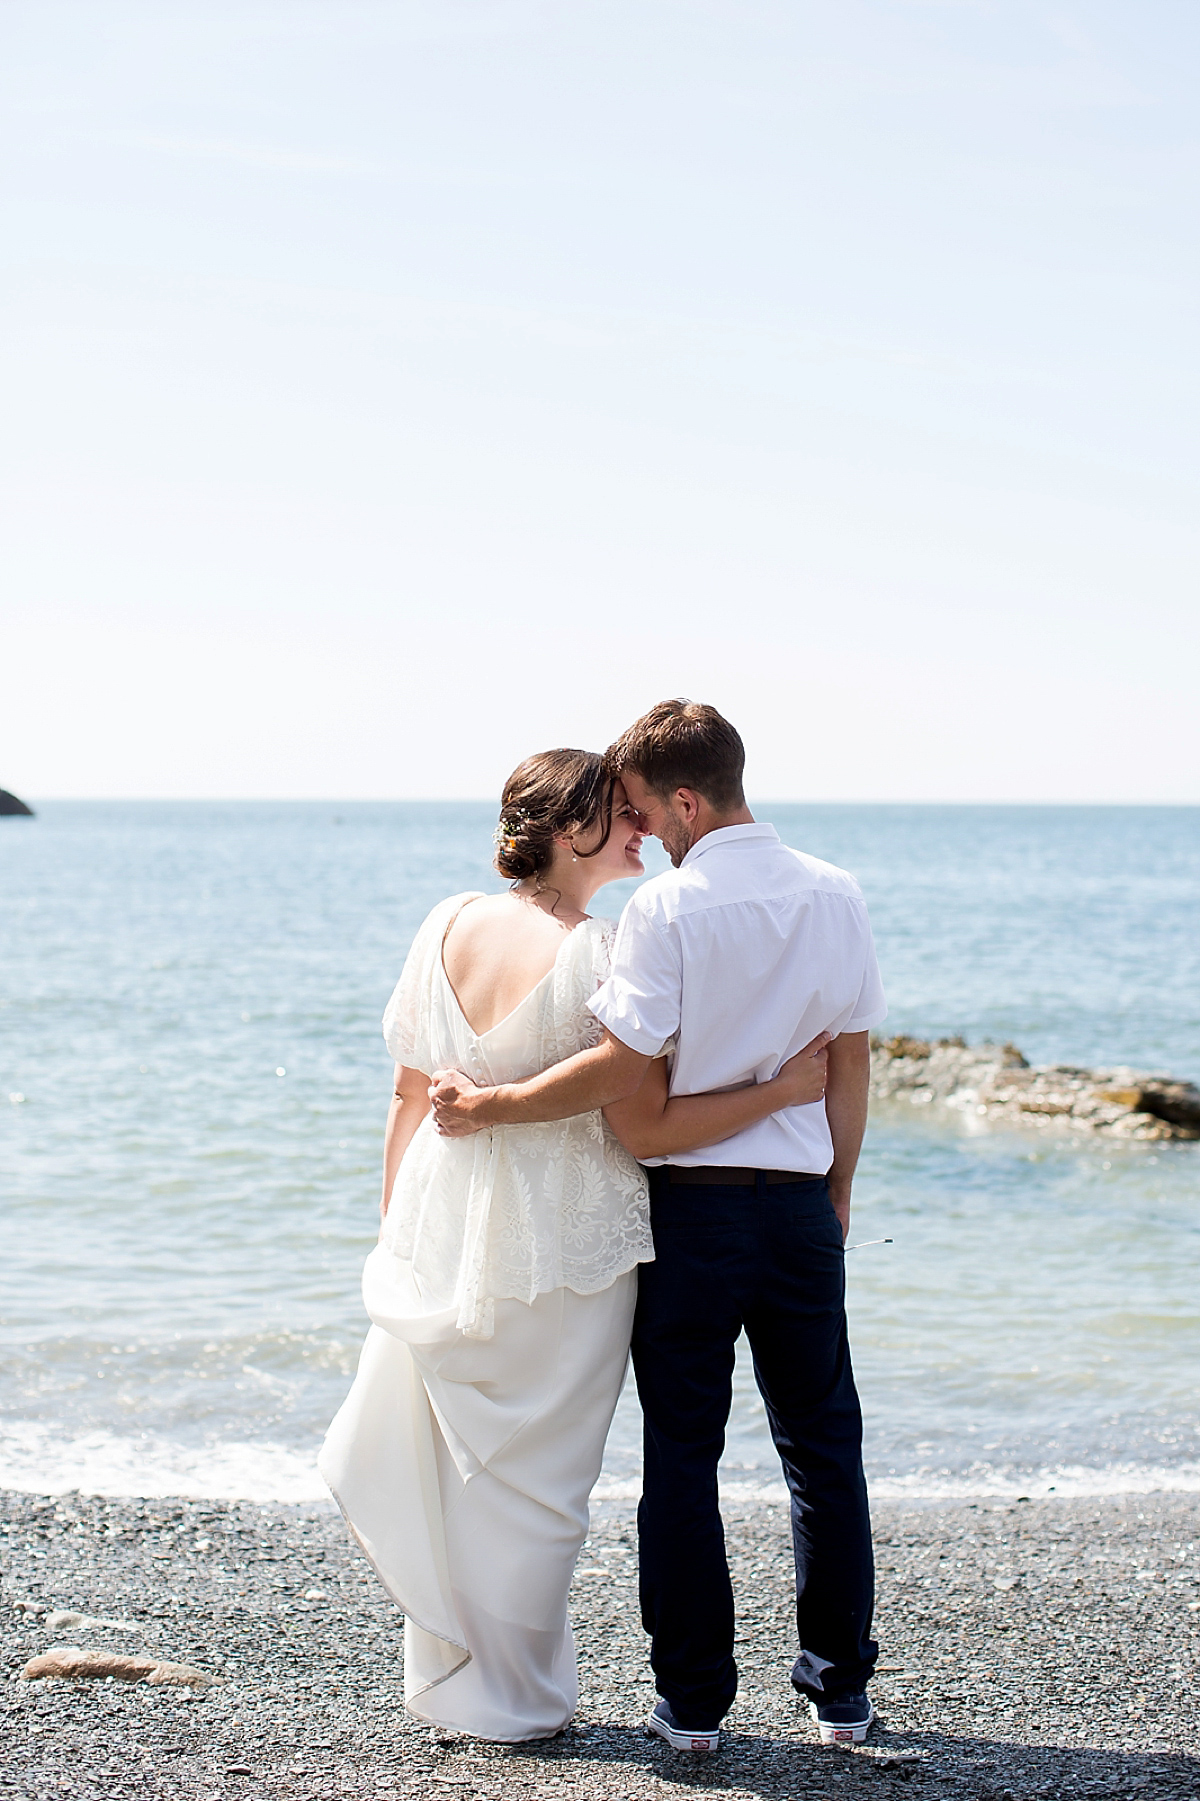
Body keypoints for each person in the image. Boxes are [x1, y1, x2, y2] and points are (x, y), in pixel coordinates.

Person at [319, 747, 831, 1744]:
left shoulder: (446, 923)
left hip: (443, 1210)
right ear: (566, 829)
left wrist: (399, 1229)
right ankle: (515, 1692)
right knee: (541, 1473)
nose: (640, 823)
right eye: (618, 810)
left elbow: (410, 1094)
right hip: (569, 1234)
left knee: (465, 1451)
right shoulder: (603, 949)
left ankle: (467, 1683)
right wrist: (779, 1092)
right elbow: (644, 1102)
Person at [431, 700, 887, 1753]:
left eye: (644, 809)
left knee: (682, 1456)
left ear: (686, 800)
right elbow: (852, 1061)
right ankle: (840, 1694)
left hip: (689, 1215)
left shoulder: (669, 912)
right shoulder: (838, 892)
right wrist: (839, 1188)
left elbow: (623, 1082)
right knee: (824, 1447)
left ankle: (691, 1706)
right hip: (800, 1211)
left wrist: (490, 1107)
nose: (643, 832)